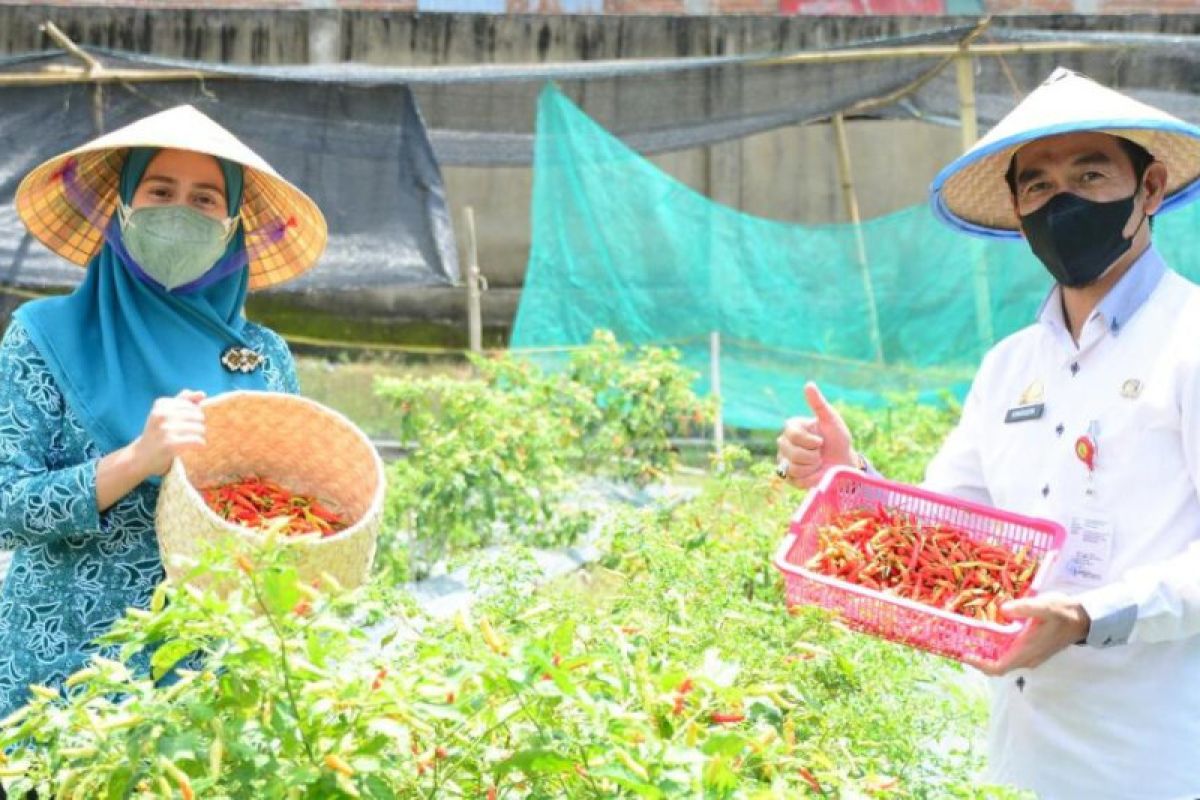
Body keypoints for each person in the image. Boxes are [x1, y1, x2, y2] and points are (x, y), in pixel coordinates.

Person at [776, 68, 1200, 799]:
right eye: (1036, 186)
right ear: (1016, 208)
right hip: (1019, 761)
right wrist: (851, 483)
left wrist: (1084, 614)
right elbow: (947, 531)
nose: (1060, 200)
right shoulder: (1009, 368)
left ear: (1151, 188)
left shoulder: (1188, 341)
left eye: (1090, 173)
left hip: (1155, 756)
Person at [0, 106, 327, 726]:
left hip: (207, 689)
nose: (180, 211)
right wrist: (134, 461)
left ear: (232, 225)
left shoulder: (264, 359)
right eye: (159, 191)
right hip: (62, 680)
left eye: (205, 200)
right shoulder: (42, 337)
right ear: (122, 207)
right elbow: (5, 508)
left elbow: (287, 524)